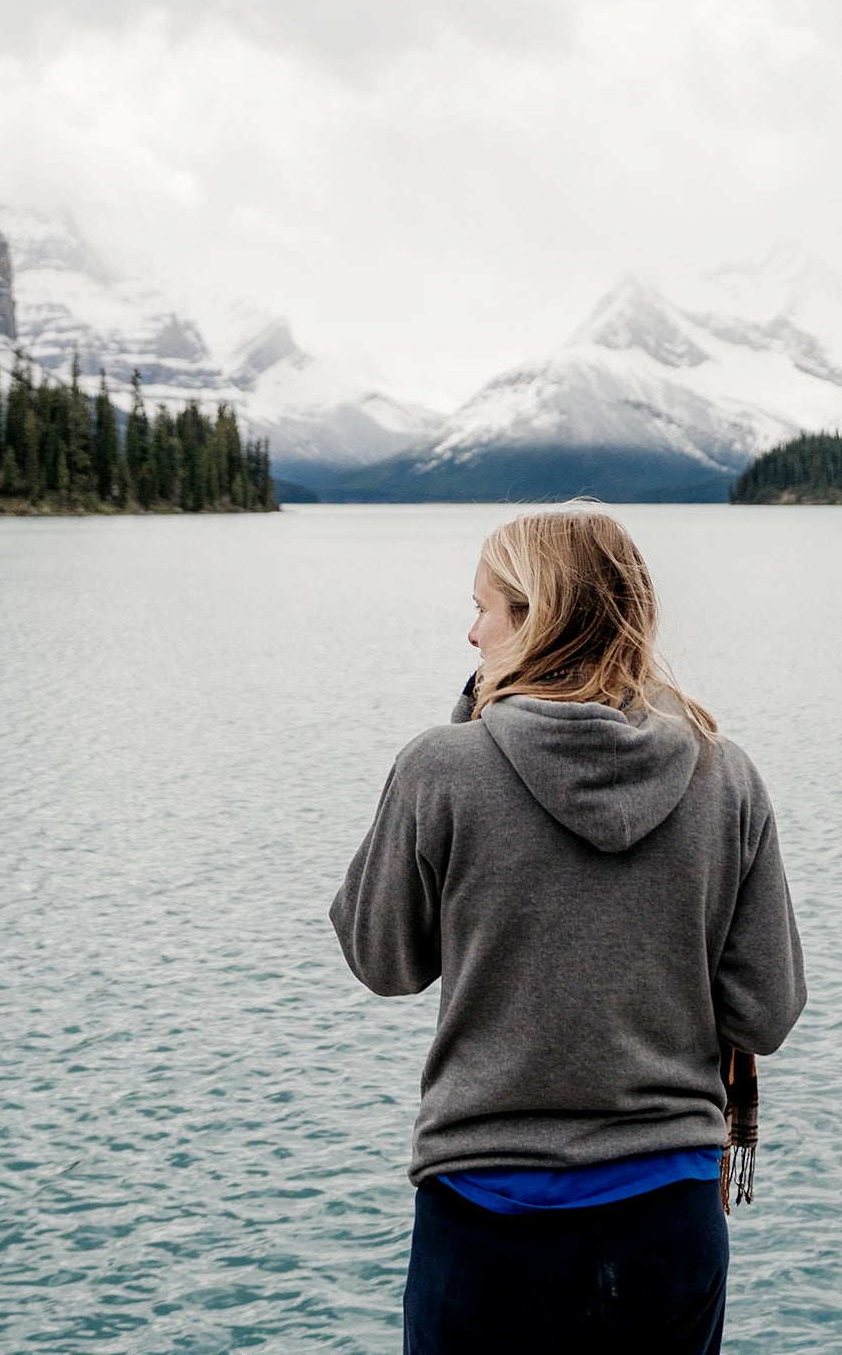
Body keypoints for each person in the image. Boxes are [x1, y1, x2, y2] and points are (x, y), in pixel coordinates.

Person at [330, 508, 808, 1354]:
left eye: (486, 609)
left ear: (538, 619)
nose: (470, 631)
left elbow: (382, 958)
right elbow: (764, 1011)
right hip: (671, 1222)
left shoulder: (442, 768)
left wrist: (468, 734)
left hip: (487, 1224)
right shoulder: (723, 772)